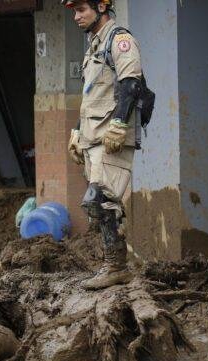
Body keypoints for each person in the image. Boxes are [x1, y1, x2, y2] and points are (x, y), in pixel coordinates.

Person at [63, 0, 144, 289]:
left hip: (112, 138)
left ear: (101, 6)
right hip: (94, 137)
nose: (76, 17)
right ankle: (114, 266)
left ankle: (116, 268)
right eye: (73, 11)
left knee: (100, 200)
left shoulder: (119, 40)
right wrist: (77, 132)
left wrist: (120, 123)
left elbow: (131, 84)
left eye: (81, 9)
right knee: (100, 205)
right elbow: (91, 95)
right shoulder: (94, 46)